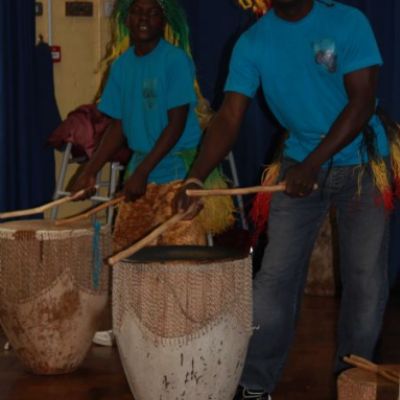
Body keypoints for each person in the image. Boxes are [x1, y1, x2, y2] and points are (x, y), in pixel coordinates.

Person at [175, 1, 399, 399]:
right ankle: (255, 385)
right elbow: (229, 116)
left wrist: (313, 164)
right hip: (298, 167)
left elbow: (362, 102)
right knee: (273, 280)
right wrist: (196, 177)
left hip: (363, 166)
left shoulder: (347, 22)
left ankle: (354, 382)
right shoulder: (253, 42)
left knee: (365, 281)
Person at [70, 0, 233, 346]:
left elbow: (175, 126)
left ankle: (187, 330)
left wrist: (142, 172)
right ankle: (130, 327)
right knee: (127, 252)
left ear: (164, 20)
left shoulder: (175, 60)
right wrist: (90, 170)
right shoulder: (122, 67)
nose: (144, 18)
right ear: (126, 18)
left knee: (180, 258)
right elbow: (118, 126)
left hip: (179, 171)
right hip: (142, 169)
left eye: (152, 12)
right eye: (137, 11)